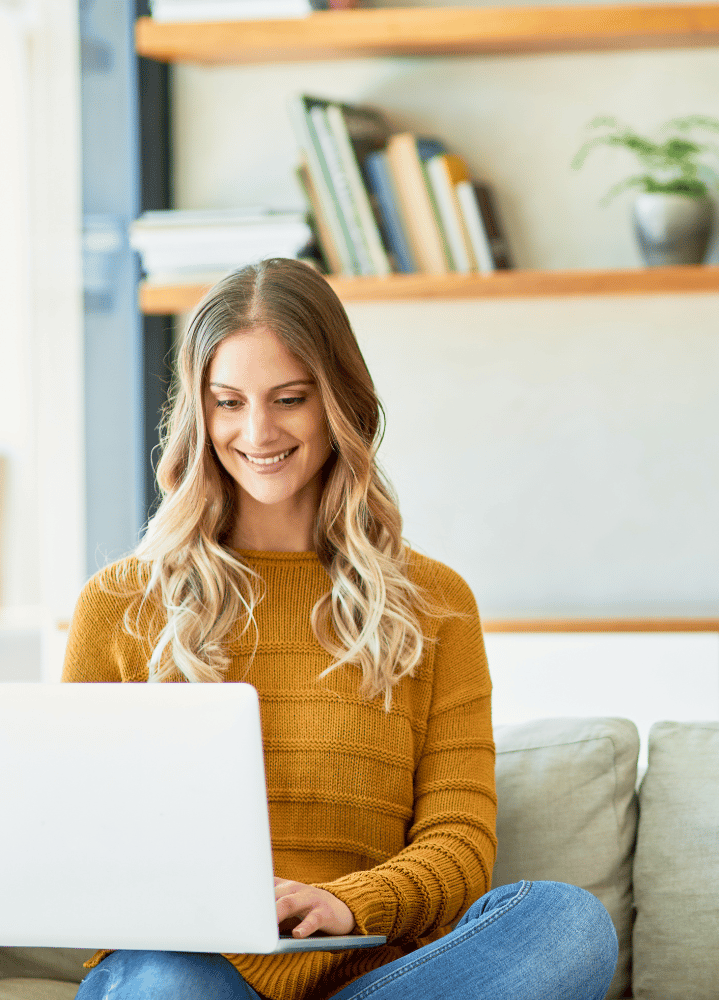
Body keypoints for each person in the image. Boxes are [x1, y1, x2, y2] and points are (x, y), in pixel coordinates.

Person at [63, 257, 618, 1000]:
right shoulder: (121, 605)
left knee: (567, 923)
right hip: (189, 973)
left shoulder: (435, 604)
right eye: (227, 402)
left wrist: (347, 902)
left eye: (289, 398)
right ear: (199, 415)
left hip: (377, 978)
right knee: (167, 984)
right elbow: (83, 846)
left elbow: (459, 846)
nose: (257, 431)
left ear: (340, 403)